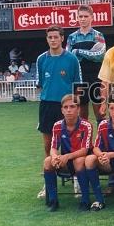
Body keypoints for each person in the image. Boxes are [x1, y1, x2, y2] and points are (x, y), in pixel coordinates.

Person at [36, 26, 82, 199]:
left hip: (67, 106)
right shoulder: (41, 59)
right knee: (49, 146)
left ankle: (77, 178)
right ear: (47, 39)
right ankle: (49, 183)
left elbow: (78, 85)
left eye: (56, 37)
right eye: (50, 37)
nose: (53, 40)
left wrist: (74, 106)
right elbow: (41, 83)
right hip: (47, 105)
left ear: (62, 38)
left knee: (72, 144)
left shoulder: (71, 59)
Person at [42, 94, 92, 212]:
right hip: (65, 161)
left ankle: (85, 200)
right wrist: (54, 156)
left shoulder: (86, 125)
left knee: (78, 161)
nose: (69, 110)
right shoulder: (57, 125)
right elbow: (53, 147)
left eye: (72, 106)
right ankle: (53, 201)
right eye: (65, 107)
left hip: (81, 161)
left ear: (78, 109)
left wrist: (67, 156)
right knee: (48, 161)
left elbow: (84, 150)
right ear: (62, 110)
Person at [66, 5, 106, 123]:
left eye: (86, 16)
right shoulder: (72, 37)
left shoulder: (98, 35)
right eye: (80, 16)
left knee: (100, 114)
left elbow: (99, 55)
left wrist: (78, 51)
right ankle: (84, 141)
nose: (83, 19)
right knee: (82, 115)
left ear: (92, 17)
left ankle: (101, 140)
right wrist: (89, 53)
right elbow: (70, 57)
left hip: (95, 77)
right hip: (79, 78)